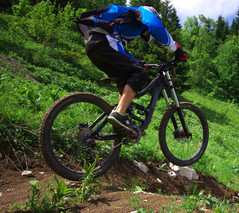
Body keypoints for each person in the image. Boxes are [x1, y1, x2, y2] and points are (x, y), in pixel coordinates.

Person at [75, 4, 188, 133]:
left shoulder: (125, 24)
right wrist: (177, 50)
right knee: (141, 74)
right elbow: (155, 26)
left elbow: (119, 50)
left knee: (129, 75)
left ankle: (121, 122)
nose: (146, 34)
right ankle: (119, 113)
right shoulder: (144, 11)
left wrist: (136, 62)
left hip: (93, 45)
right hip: (104, 40)